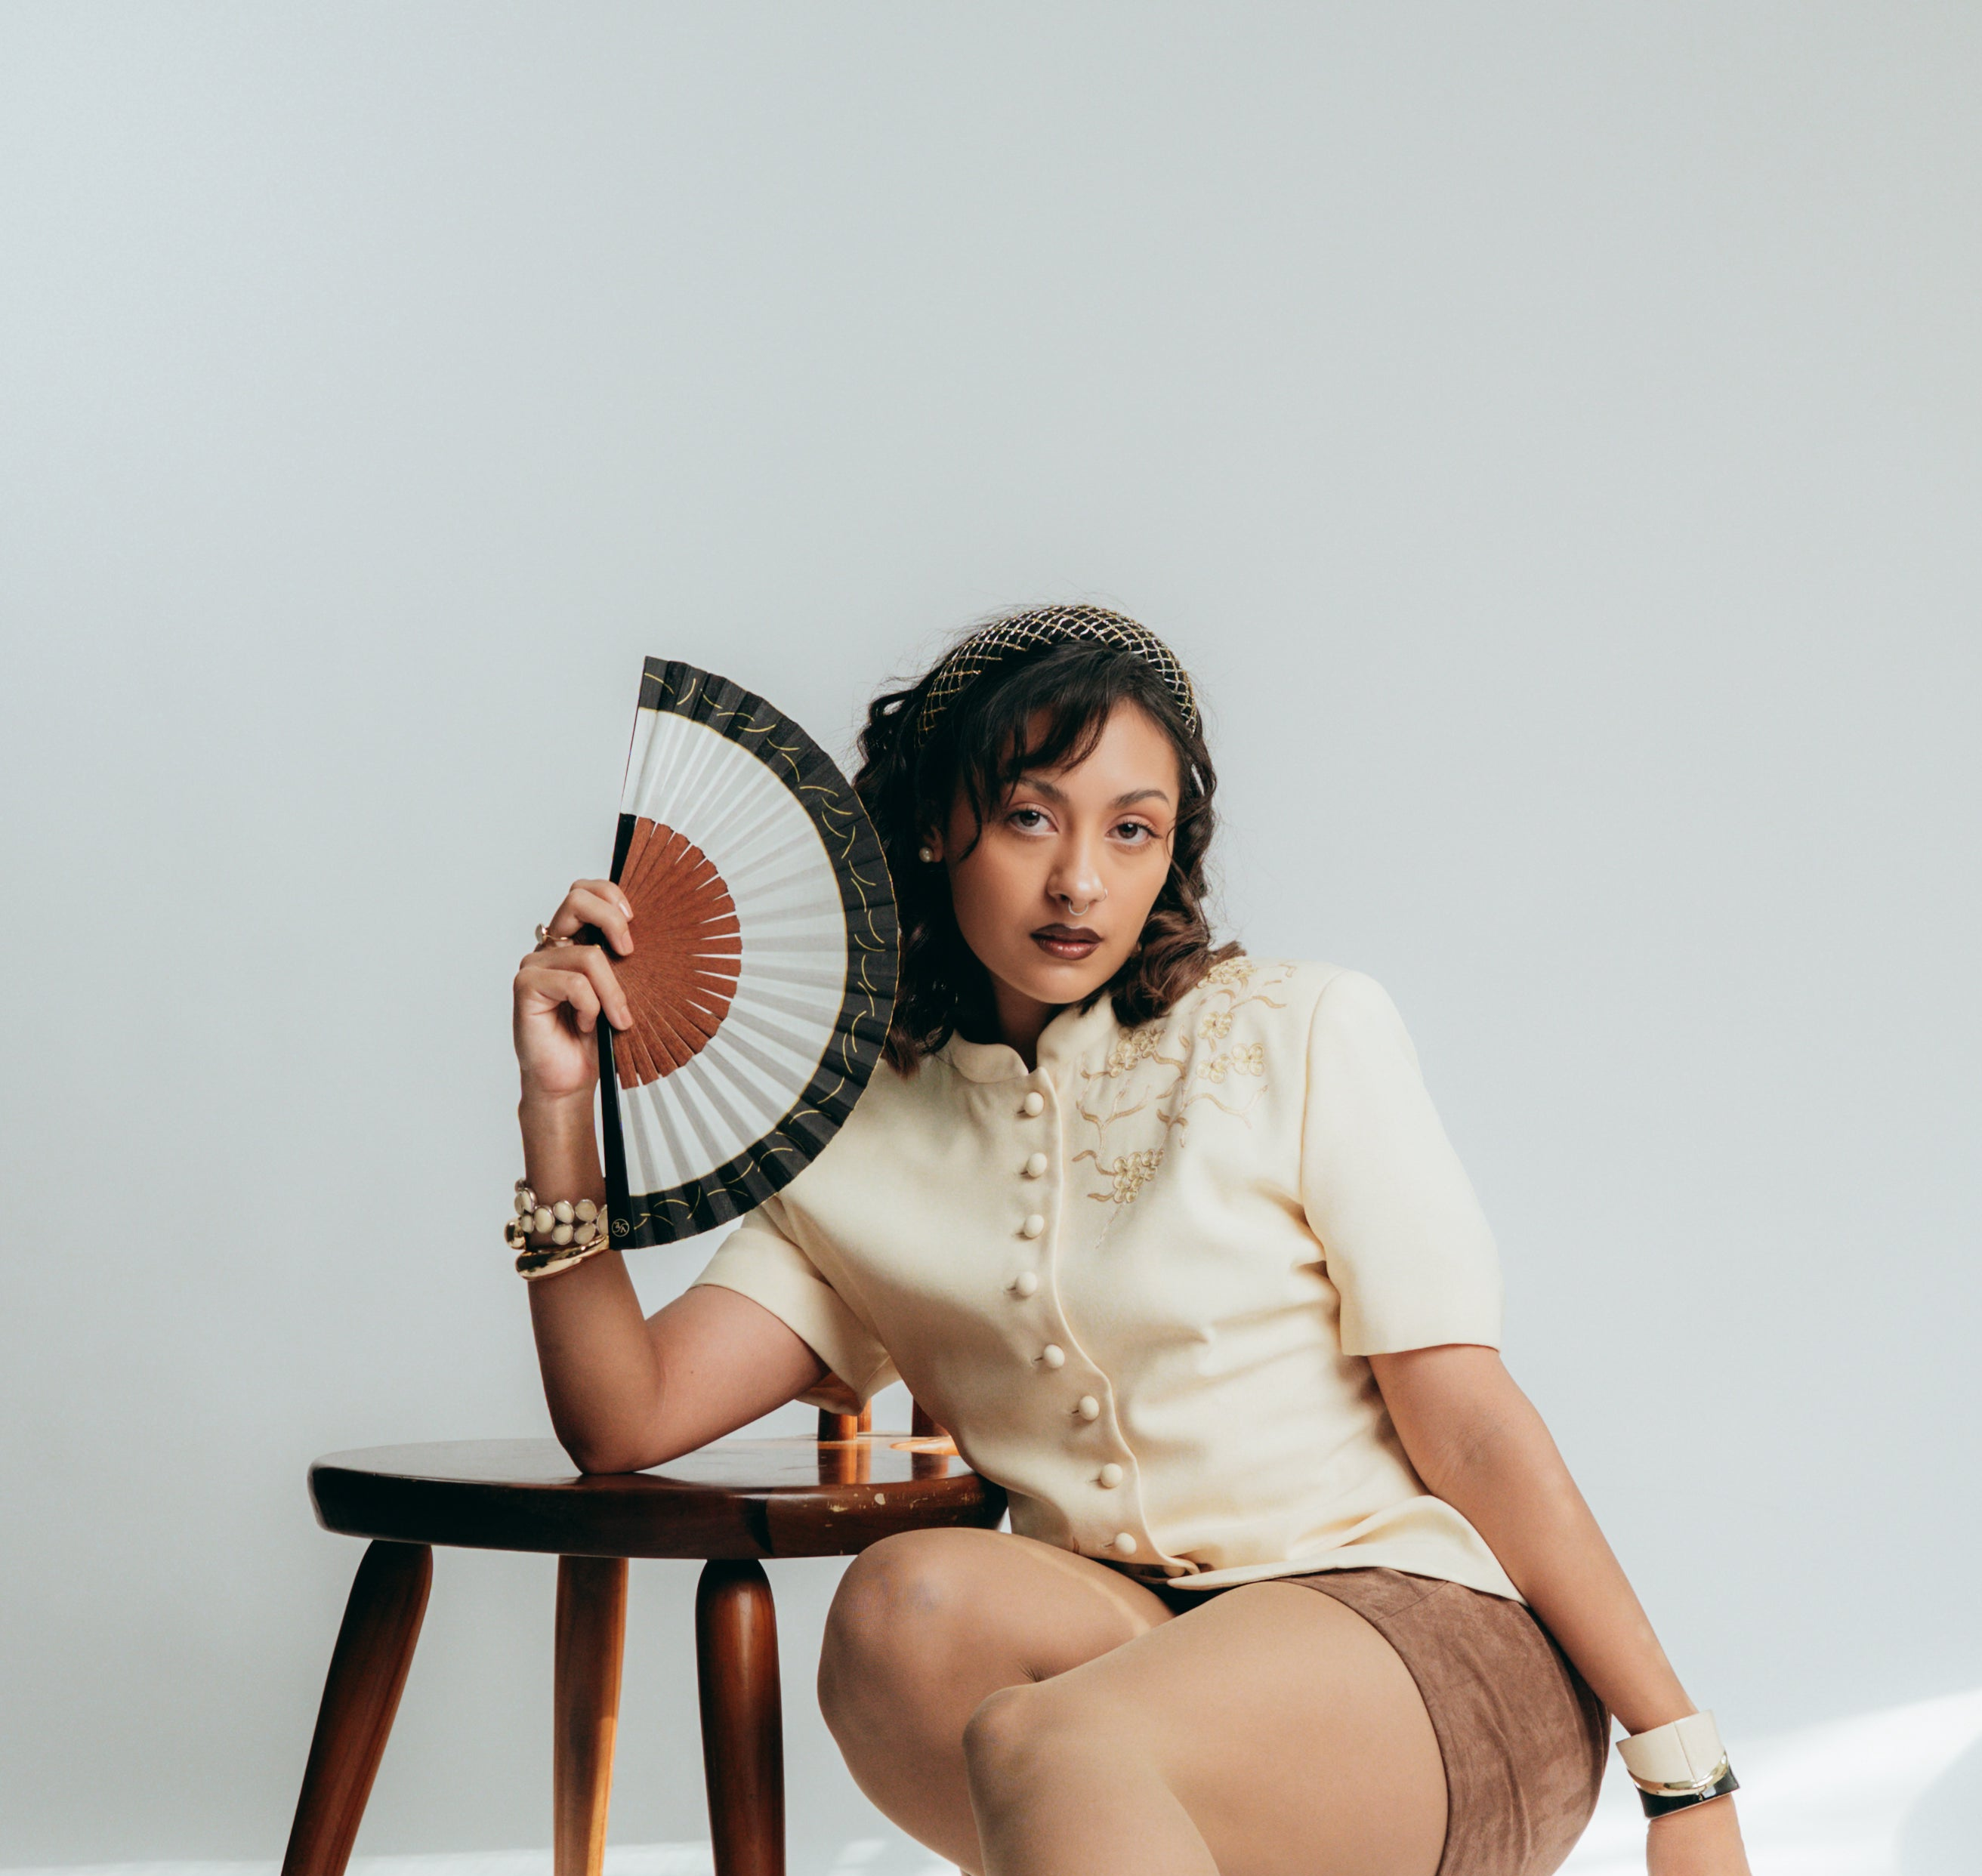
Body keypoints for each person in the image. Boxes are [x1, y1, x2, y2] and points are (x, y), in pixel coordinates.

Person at [510, 606, 1752, 1876]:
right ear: (938, 824)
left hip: (1423, 1650)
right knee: (904, 1608)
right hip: (1124, 1644)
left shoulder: (1299, 1030)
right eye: (1032, 816)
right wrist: (558, 1112)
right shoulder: (855, 1132)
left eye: (1132, 829)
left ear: (1173, 852)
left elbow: (1471, 1421)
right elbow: (627, 1417)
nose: (1080, 882)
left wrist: (1682, 1771)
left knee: (1053, 1741)